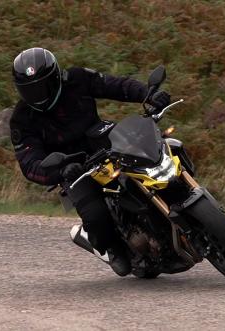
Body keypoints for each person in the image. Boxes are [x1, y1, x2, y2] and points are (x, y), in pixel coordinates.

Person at [9, 47, 171, 276]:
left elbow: (115, 85)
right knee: (96, 216)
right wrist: (60, 171)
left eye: (41, 86)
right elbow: (29, 163)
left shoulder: (77, 79)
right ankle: (113, 248)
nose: (38, 94)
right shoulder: (22, 119)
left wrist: (147, 94)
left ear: (56, 76)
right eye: (30, 90)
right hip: (72, 166)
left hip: (104, 139)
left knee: (163, 145)